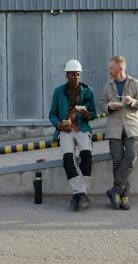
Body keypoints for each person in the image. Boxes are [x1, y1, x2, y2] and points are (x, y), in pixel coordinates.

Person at [100, 55, 138, 210]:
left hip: (131, 127)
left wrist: (132, 102)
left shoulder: (136, 84)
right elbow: (101, 103)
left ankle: (116, 190)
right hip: (114, 128)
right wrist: (109, 107)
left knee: (131, 155)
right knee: (117, 160)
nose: (109, 71)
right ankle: (123, 196)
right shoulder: (108, 86)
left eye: (111, 68)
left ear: (120, 68)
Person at [49, 59, 96, 211]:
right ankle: (82, 194)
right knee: (68, 158)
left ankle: (79, 194)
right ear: (66, 75)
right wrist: (58, 124)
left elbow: (93, 114)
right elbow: (52, 114)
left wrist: (84, 114)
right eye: (73, 75)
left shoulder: (88, 90)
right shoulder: (58, 91)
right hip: (65, 129)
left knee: (87, 155)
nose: (76, 77)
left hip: (82, 127)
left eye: (78, 74)